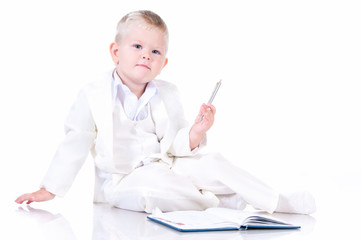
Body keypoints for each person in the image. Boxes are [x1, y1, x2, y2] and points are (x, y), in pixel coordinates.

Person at [15, 10, 316, 214]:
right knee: (153, 188)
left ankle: (275, 201)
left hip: (168, 163)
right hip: (125, 179)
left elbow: (175, 144)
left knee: (213, 163)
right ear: (116, 52)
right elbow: (75, 141)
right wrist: (49, 188)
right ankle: (225, 200)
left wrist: (197, 132)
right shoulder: (92, 95)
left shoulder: (167, 92)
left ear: (163, 63)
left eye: (156, 52)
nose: (147, 54)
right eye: (137, 46)